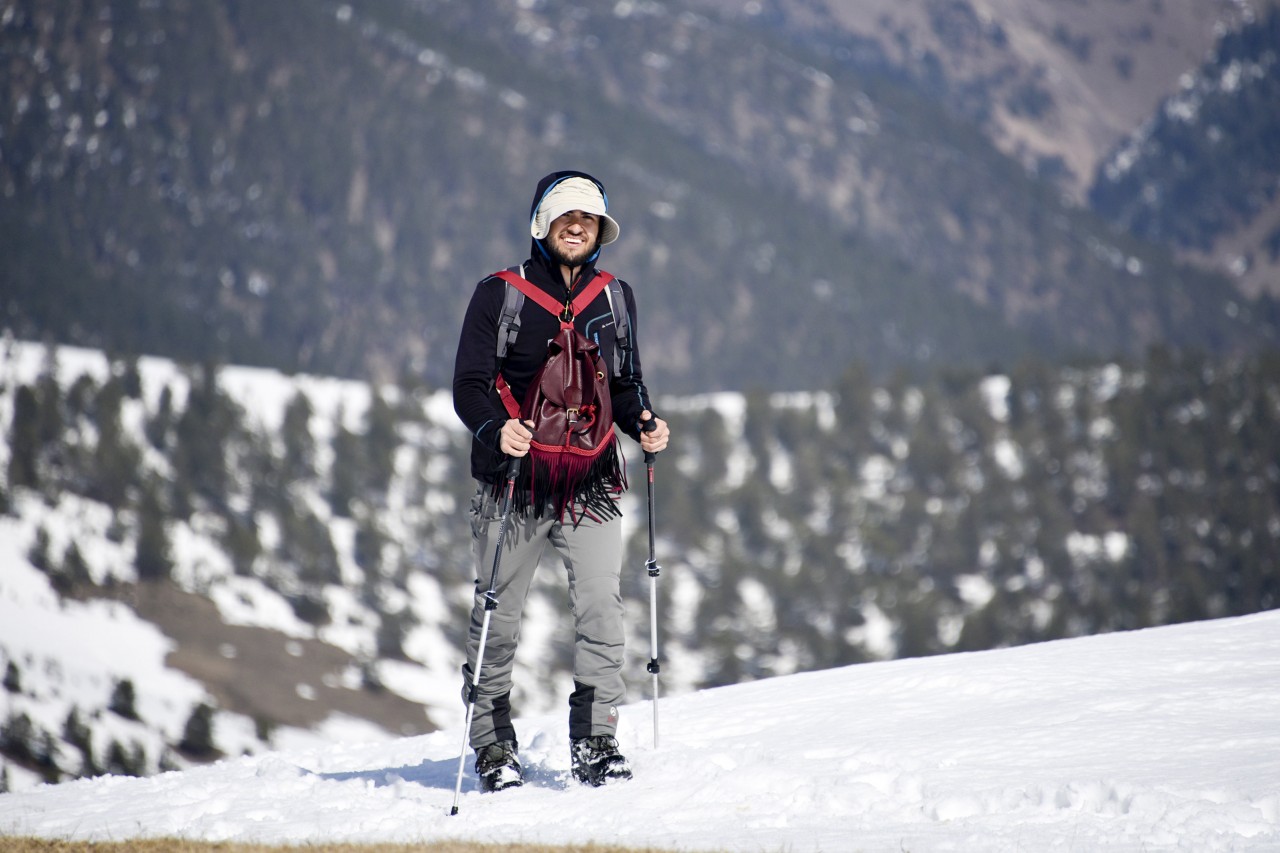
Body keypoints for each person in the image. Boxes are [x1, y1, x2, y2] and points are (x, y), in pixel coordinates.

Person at [452, 170, 670, 791]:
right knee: (498, 617)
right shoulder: (499, 294)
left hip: (591, 478)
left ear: (602, 230)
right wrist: (497, 429)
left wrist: (644, 424)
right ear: (541, 225)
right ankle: (492, 748)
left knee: (602, 608)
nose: (577, 225)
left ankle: (596, 741)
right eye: (564, 215)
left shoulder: (617, 297)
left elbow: (625, 388)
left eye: (589, 218)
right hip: (512, 480)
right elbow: (469, 385)